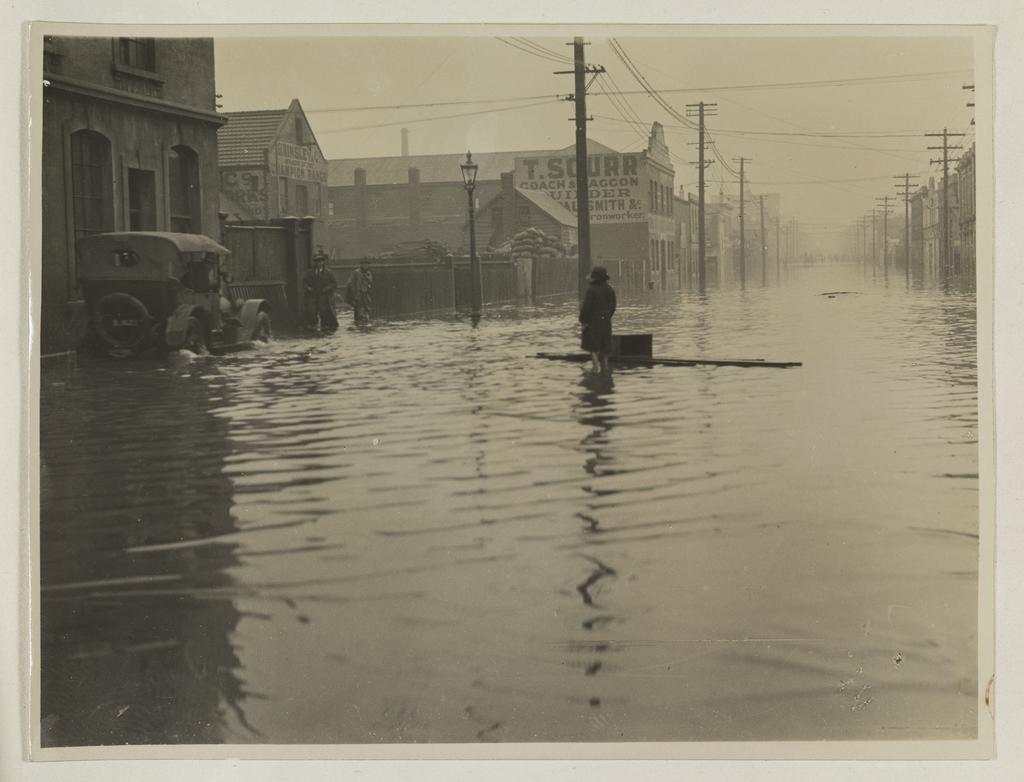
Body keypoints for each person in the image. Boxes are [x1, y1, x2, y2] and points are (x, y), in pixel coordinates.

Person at [579, 265, 617, 373]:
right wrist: (608, 316)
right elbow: (613, 306)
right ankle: (605, 367)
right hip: (606, 321)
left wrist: (583, 320)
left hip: (593, 322)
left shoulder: (591, 290)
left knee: (592, 345)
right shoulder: (610, 289)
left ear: (595, 278)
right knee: (605, 345)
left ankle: (595, 367)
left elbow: (586, 308)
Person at [302, 250, 339, 332]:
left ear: (323, 262)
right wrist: (308, 288)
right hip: (313, 296)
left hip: (324, 296)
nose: (319, 263)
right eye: (317, 261)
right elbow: (304, 282)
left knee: (324, 313)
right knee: (311, 311)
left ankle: (325, 328)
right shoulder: (310, 272)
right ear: (315, 263)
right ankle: (313, 327)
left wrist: (326, 288)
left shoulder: (329, 273)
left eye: (321, 261)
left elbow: (334, 283)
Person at [345, 259, 374, 325]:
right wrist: (353, 292)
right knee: (358, 309)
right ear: (361, 265)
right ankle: (358, 323)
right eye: (364, 264)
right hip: (358, 293)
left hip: (366, 293)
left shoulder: (368, 273)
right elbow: (350, 282)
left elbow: (371, 283)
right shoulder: (356, 272)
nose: (365, 266)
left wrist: (369, 285)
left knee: (366, 308)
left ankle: (365, 323)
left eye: (367, 264)